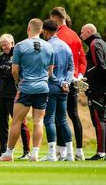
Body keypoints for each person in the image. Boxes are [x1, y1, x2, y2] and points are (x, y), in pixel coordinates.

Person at [0, 18, 54, 162]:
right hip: (43, 88)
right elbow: (50, 71)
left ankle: (9, 154)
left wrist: (18, 83)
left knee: (17, 121)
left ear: (28, 28)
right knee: (39, 121)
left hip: (26, 87)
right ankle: (35, 153)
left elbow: (14, 70)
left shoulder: (21, 46)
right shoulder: (49, 47)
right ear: (41, 30)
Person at [50, 7, 87, 160]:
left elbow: (56, 61)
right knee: (74, 115)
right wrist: (78, 75)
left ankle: (61, 151)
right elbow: (82, 60)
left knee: (59, 116)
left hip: (61, 81)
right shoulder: (75, 35)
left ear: (55, 18)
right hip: (74, 80)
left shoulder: (57, 36)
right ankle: (79, 151)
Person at [0, 33, 31, 160]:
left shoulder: (18, 54)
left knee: (20, 123)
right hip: (1, 94)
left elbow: (13, 72)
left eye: (5, 44)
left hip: (13, 94)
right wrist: (4, 68)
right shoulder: (2, 56)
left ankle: (26, 151)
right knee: (2, 124)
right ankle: (2, 151)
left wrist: (5, 70)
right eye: (2, 45)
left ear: (12, 43)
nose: (3, 47)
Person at [41, 19, 75, 161]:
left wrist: (60, 82)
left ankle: (52, 154)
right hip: (64, 89)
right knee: (63, 120)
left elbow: (48, 71)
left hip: (52, 87)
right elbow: (71, 68)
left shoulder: (47, 46)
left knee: (49, 120)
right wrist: (66, 82)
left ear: (46, 31)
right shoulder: (65, 46)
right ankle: (70, 154)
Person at [80, 23, 106, 160]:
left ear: (89, 31)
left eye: (82, 32)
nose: (81, 35)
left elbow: (100, 67)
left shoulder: (94, 44)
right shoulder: (102, 43)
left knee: (99, 119)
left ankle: (101, 152)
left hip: (97, 90)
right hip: (101, 89)